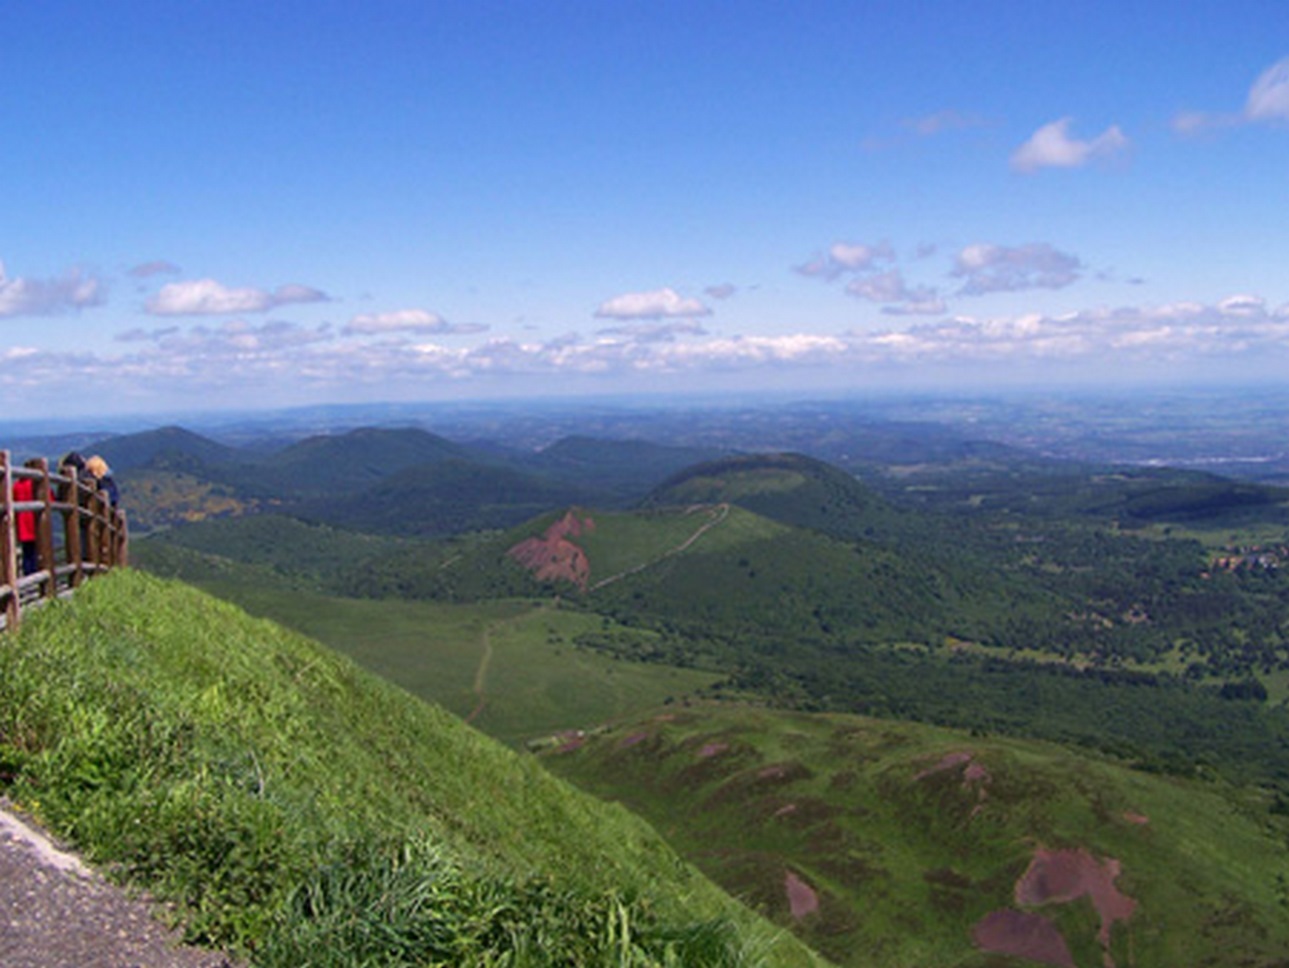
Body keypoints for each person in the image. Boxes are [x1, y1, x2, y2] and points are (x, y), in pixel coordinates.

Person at [11, 475, 38, 576]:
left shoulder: (16, 486)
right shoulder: (34, 483)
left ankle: (28, 573)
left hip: (22, 522)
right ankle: (36, 571)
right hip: (35, 520)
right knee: (37, 548)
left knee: (27, 550)